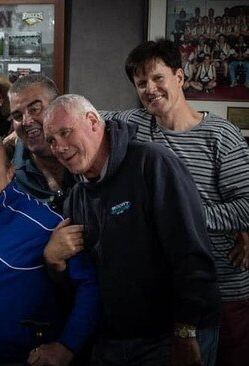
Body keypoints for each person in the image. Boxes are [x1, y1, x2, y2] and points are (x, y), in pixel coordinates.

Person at [99, 38, 249, 366]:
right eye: (141, 83)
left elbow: (246, 207)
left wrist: (187, 217)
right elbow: (86, 117)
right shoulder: (135, 125)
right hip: (171, 296)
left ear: (179, 78)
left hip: (225, 288)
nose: (150, 89)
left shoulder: (221, 136)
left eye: (157, 78)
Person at [43, 94, 221, 366]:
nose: (59, 146)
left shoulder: (152, 163)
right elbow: (83, 284)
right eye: (52, 140)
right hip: (110, 343)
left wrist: (185, 331)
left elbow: (191, 252)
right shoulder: (76, 198)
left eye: (65, 132)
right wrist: (54, 262)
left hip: (171, 337)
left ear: (92, 121)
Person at [0, 133, 99, 366]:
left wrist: (67, 346)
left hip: (20, 359)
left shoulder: (42, 224)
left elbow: (91, 286)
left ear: (9, 174)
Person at [7, 74, 74, 212]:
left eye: (35, 109)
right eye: (18, 116)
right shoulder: (7, 171)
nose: (26, 121)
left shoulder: (86, 150)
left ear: (58, 107)